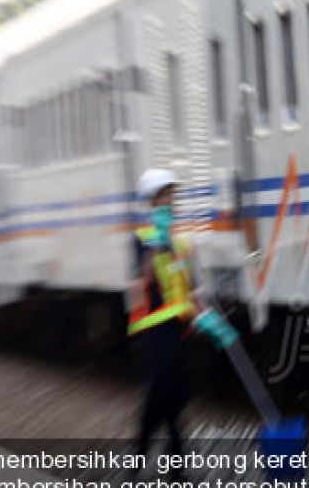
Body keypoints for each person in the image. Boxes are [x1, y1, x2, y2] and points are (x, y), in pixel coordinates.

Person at [128, 169, 199, 462]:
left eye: (172, 195)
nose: (171, 200)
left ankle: (175, 464)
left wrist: (208, 317)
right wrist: (155, 244)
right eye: (165, 196)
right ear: (152, 202)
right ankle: (141, 453)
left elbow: (190, 285)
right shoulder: (141, 239)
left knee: (177, 396)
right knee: (160, 396)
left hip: (178, 329)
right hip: (154, 332)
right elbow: (140, 278)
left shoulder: (180, 243)